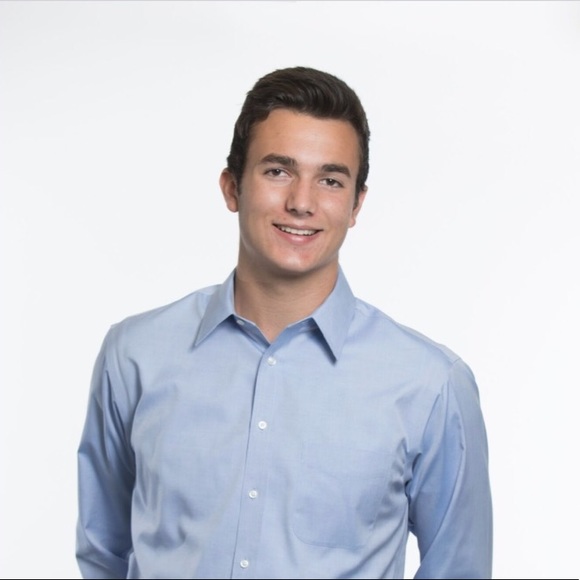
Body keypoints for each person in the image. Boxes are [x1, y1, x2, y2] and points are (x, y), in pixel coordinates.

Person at [76, 66, 493, 579]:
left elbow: (459, 570)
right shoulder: (135, 353)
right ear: (232, 187)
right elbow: (103, 552)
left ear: (356, 204)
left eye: (330, 180)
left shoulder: (430, 385)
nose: (301, 202)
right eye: (277, 171)